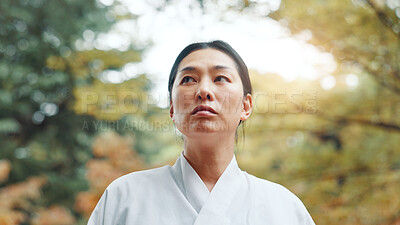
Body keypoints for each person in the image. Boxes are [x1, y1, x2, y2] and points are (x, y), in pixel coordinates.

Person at [88, 40, 316, 225]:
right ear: (172, 107)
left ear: (245, 107)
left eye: (221, 79)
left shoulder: (284, 208)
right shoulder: (124, 197)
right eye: (188, 79)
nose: (204, 90)